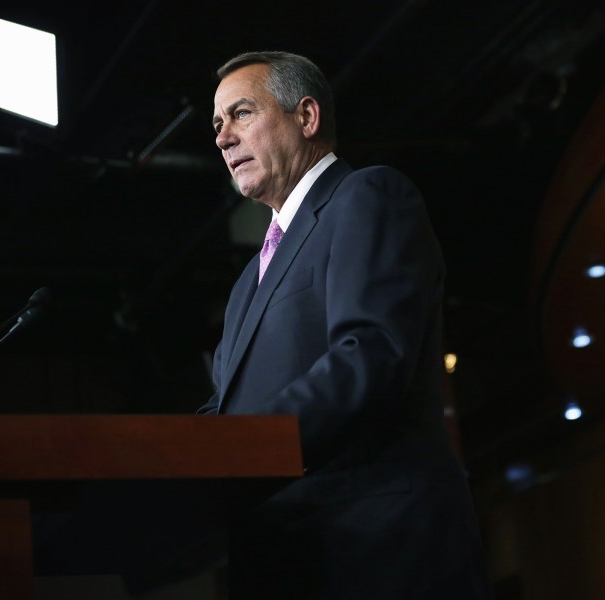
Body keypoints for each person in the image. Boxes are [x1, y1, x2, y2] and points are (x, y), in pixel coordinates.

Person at [199, 51, 492, 599]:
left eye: (241, 114)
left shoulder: (368, 196)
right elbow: (227, 408)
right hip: (284, 558)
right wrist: (169, 458)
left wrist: (248, 451)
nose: (223, 138)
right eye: (217, 124)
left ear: (306, 117)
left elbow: (370, 353)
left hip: (375, 550)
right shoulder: (245, 286)